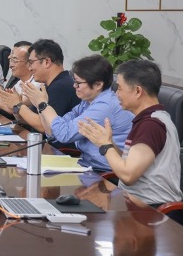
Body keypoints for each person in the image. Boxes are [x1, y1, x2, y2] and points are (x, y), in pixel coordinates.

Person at [78, 59, 182, 207]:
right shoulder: (148, 120)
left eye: (120, 88)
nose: (116, 94)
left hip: (152, 210)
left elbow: (128, 175)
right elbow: (129, 163)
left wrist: (105, 145)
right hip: (131, 201)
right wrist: (110, 142)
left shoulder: (151, 125)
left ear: (137, 91)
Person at [22, 54, 134, 172]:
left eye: (78, 83)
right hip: (87, 165)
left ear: (98, 85)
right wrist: (40, 106)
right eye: (74, 81)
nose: (74, 86)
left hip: (104, 173)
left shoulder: (104, 106)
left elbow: (64, 134)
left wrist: (43, 105)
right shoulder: (87, 102)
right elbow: (53, 133)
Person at [0, 39, 81, 138]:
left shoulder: (61, 87)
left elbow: (43, 126)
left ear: (46, 62)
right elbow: (27, 119)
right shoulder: (49, 84)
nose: (30, 68)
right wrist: (16, 107)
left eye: (31, 62)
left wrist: (18, 105)